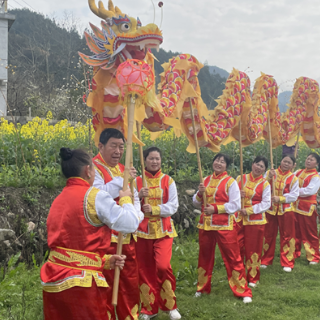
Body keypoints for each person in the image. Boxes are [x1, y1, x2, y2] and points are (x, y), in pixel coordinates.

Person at [41, 148, 143, 320]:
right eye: (94, 169)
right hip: (82, 284)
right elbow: (130, 223)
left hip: (53, 280)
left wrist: (104, 261)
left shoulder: (58, 200)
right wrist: (126, 199)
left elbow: (70, 247)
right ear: (88, 170)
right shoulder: (94, 197)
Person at [92, 128, 141, 320]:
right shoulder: (93, 168)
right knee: (107, 283)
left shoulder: (123, 169)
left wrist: (136, 217)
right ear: (101, 146)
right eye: (113, 146)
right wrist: (122, 180)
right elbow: (97, 195)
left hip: (127, 235)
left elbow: (134, 198)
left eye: (121, 147)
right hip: (104, 237)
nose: (118, 151)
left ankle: (129, 316)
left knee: (129, 282)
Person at [193, 153, 252, 303]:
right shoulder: (205, 180)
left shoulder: (230, 182)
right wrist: (200, 193)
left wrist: (215, 209)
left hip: (224, 225)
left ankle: (242, 290)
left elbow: (236, 205)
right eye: (217, 160)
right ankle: (202, 286)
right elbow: (195, 202)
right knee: (204, 256)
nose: (218, 163)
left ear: (227, 166)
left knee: (233, 257)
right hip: (206, 224)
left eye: (222, 162)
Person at [135, 147, 181, 320]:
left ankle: (170, 305)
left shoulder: (168, 181)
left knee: (163, 266)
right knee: (145, 270)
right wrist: (138, 197)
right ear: (144, 160)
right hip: (142, 232)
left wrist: (153, 209)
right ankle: (149, 308)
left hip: (164, 231)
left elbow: (173, 206)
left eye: (157, 159)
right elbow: (128, 205)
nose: (154, 162)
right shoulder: (137, 182)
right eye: (151, 158)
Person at [236, 155, 271, 287]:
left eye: (262, 166)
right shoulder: (240, 178)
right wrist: (238, 195)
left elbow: (266, 203)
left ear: (264, 170)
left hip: (256, 221)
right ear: (252, 164)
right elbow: (230, 196)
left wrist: (250, 210)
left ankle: (253, 277)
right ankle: (238, 275)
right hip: (239, 219)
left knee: (253, 249)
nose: (258, 167)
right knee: (237, 247)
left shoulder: (265, 184)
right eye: (257, 164)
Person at [261, 155, 299, 272]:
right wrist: (268, 178)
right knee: (268, 234)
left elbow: (294, 195)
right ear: (280, 161)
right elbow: (261, 186)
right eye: (284, 161)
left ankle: (287, 261)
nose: (286, 164)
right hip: (270, 209)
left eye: (289, 162)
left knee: (287, 236)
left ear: (293, 166)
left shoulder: (293, 178)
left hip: (286, 210)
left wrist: (281, 198)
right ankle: (265, 259)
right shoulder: (270, 173)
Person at [293, 152, 320, 264]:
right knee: (295, 231)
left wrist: (294, 191)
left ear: (317, 164)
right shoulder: (298, 172)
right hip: (295, 205)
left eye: (312, 159)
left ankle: (313, 256)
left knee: (310, 232)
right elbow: (290, 182)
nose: (308, 161)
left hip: (308, 207)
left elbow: (310, 191)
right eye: (308, 158)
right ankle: (294, 252)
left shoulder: (316, 177)